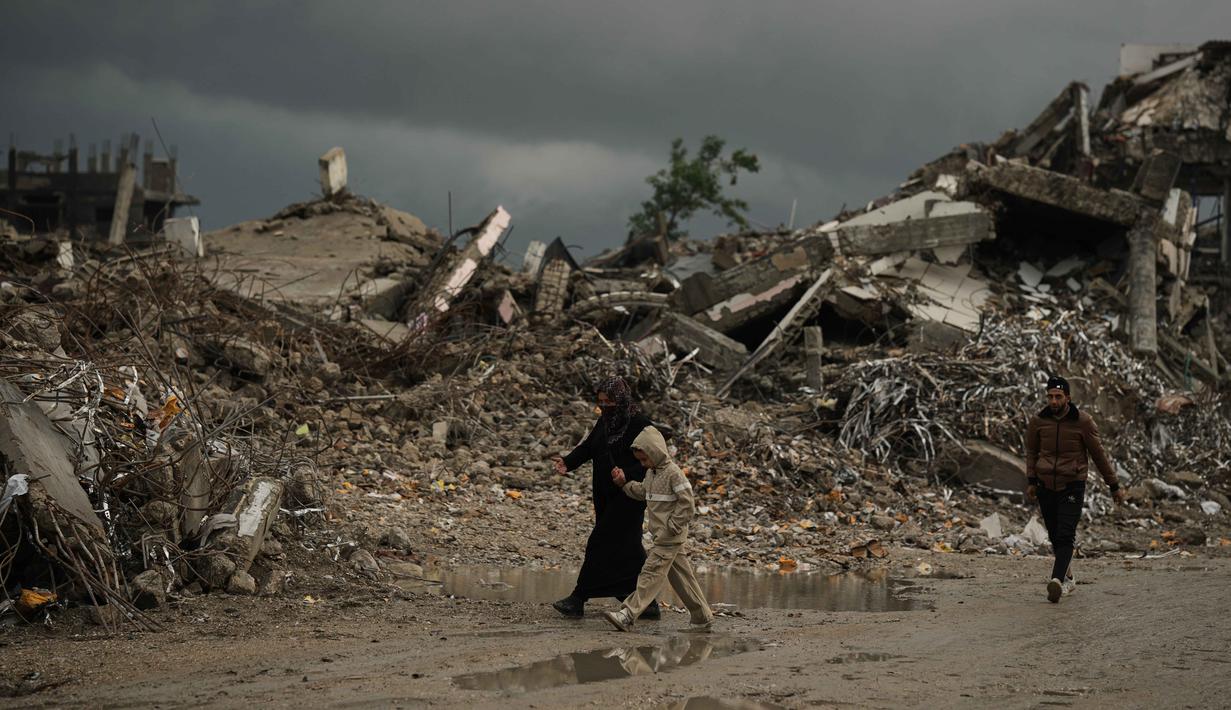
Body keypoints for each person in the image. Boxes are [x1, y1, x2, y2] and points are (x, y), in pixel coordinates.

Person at [550, 376, 659, 619]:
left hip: (630, 496)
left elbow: (654, 459)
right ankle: (645, 602)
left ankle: (578, 598)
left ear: (620, 400)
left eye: (609, 402)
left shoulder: (640, 425)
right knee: (628, 548)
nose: (605, 407)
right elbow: (590, 447)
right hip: (605, 495)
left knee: (600, 541)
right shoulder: (606, 422)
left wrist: (628, 475)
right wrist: (568, 462)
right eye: (601, 403)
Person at [1025, 375, 1125, 604]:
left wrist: (1114, 486)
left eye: (1058, 396)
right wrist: (1031, 480)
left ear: (1068, 398)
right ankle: (1069, 578)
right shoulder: (1038, 421)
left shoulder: (1083, 422)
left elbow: (1099, 455)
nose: (1053, 401)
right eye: (1050, 396)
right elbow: (1031, 452)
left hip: (1072, 483)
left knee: (1066, 534)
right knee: (1054, 535)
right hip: (1045, 485)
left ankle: (1056, 581)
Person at [603, 425, 713, 632]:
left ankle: (627, 614)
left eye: (645, 459)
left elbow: (687, 503)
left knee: (650, 572)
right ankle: (702, 617)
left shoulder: (674, 474)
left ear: (656, 452)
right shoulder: (652, 474)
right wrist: (623, 484)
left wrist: (671, 527)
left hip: (669, 536)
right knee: (681, 577)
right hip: (664, 535)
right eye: (641, 461)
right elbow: (643, 492)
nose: (643, 464)